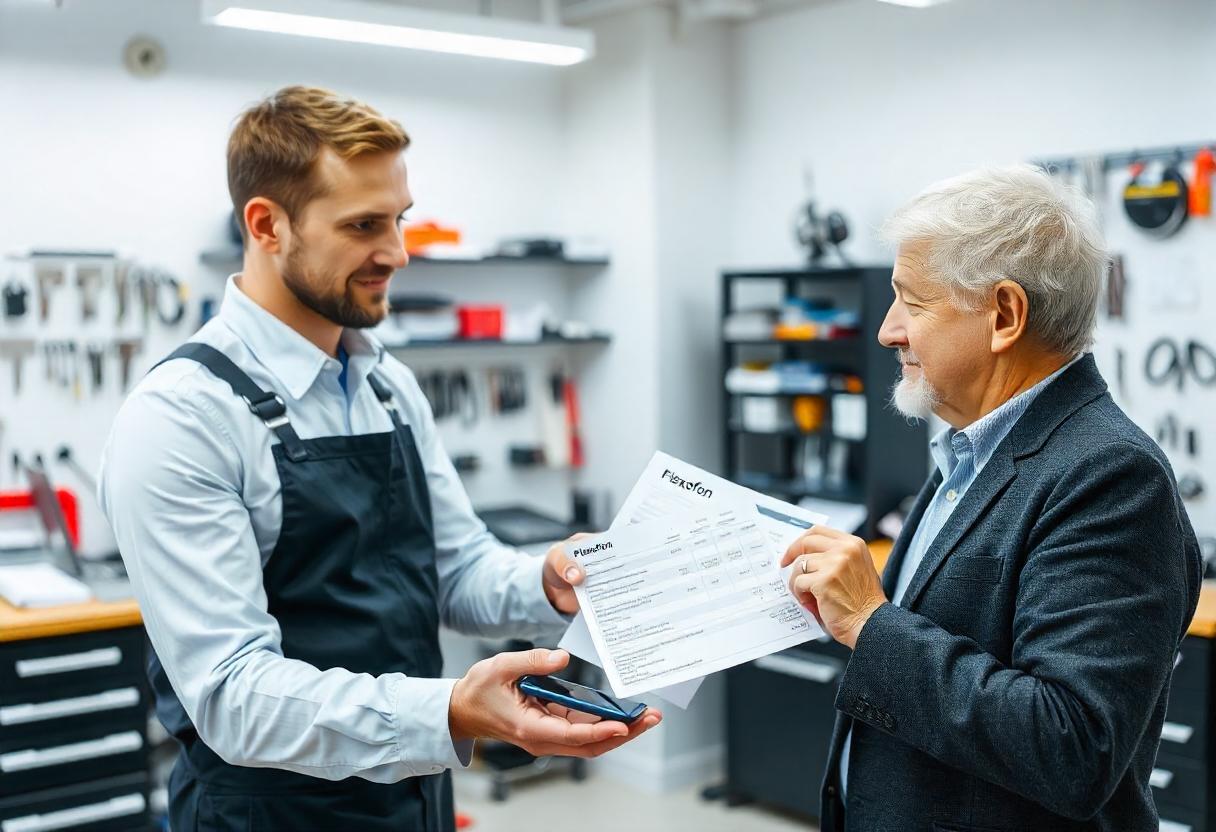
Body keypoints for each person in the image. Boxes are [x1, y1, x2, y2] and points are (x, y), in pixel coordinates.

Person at [99, 86, 660, 832]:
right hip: (270, 814)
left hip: (411, 790)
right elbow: (232, 695)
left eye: (398, 219)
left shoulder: (386, 385)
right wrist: (451, 710)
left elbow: (454, 570)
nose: (396, 253)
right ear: (267, 225)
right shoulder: (182, 419)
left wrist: (550, 584)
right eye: (364, 225)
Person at [782, 165, 1201, 831]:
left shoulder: (1111, 476)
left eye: (912, 303)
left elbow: (1072, 745)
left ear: (1004, 314)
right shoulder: (969, 449)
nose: (889, 330)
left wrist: (871, 621)